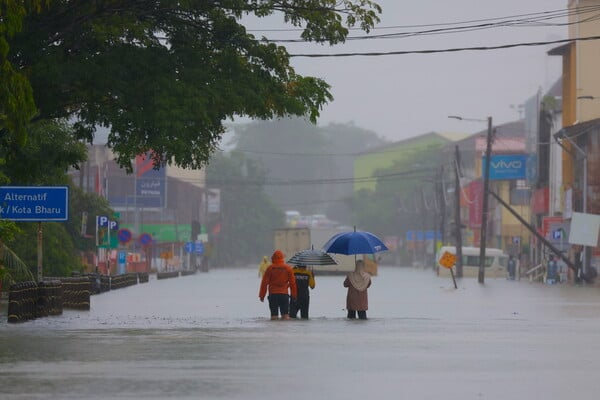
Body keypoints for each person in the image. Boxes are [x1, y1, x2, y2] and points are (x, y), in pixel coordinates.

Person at [259, 250, 297, 320]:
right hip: (284, 295)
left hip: (273, 295)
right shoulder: (288, 268)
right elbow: (292, 284)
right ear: (282, 258)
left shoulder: (270, 268)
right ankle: (286, 330)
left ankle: (274, 330)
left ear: (273, 258)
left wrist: (262, 295)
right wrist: (294, 295)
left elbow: (264, 283)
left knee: (274, 317)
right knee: (285, 317)